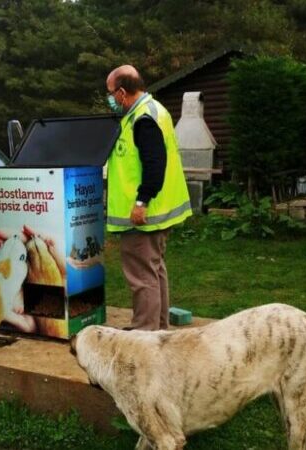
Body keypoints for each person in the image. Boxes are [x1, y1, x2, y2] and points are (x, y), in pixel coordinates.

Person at [104, 65, 192, 331]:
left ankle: (144, 333)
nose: (110, 99)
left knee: (142, 276)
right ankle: (158, 328)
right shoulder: (150, 111)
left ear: (121, 92)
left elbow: (154, 164)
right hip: (157, 211)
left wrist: (141, 202)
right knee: (154, 271)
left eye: (110, 94)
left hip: (143, 214)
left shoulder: (143, 117)